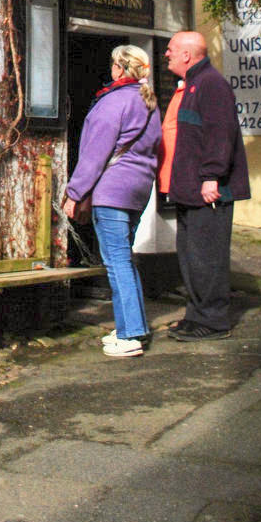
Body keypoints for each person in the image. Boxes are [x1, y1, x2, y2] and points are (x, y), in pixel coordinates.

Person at [63, 45, 161, 357]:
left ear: (119, 68)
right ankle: (132, 326)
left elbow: (94, 154)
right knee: (125, 258)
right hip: (139, 189)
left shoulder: (112, 102)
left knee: (117, 261)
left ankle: (130, 335)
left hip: (112, 190)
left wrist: (74, 194)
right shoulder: (149, 102)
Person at [159, 30, 250, 341]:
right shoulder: (193, 85)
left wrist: (211, 175)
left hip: (208, 192)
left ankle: (213, 321)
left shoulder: (211, 84)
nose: (166, 54)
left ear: (187, 55)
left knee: (207, 258)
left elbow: (219, 133)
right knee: (190, 257)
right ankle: (196, 315)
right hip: (190, 192)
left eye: (170, 49)